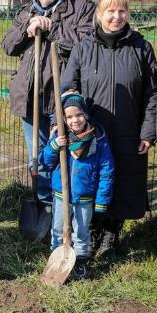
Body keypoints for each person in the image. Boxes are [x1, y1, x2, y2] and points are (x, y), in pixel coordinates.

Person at [61, 0, 157, 258]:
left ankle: (112, 235)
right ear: (99, 14)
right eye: (110, 12)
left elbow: (153, 94)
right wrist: (73, 121)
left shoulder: (141, 48)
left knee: (123, 181)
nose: (117, 17)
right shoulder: (83, 48)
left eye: (122, 11)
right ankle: (92, 231)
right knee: (92, 179)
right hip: (93, 132)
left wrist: (148, 132)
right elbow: (69, 87)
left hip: (129, 129)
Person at [1, 0, 95, 215]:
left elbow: (86, 45)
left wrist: (53, 28)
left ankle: (71, 208)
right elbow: (8, 46)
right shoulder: (25, 12)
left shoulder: (82, 8)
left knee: (72, 155)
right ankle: (45, 208)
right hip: (31, 100)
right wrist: (27, 28)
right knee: (41, 158)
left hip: (64, 100)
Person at [39, 92, 114, 280]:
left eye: (78, 115)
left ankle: (80, 261)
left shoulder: (98, 138)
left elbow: (107, 170)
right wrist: (54, 146)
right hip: (61, 195)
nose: (75, 120)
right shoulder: (59, 136)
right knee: (58, 228)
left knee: (81, 231)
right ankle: (57, 258)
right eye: (69, 117)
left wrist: (101, 200)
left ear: (86, 114)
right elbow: (45, 162)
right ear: (63, 119)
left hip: (85, 196)